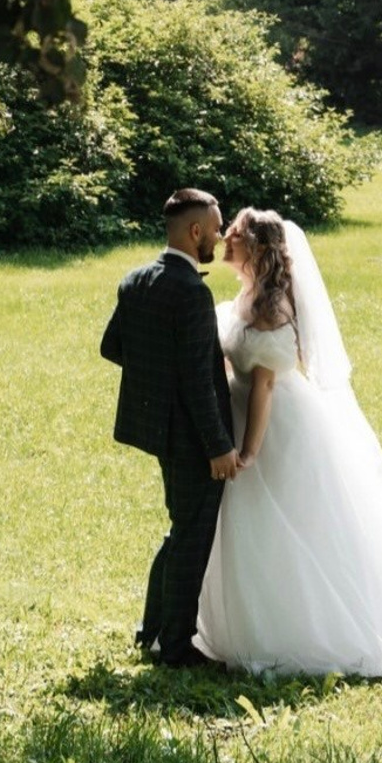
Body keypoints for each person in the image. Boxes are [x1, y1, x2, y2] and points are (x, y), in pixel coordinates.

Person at [194, 207, 382, 677]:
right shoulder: (245, 295)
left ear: (255, 246)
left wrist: (251, 451)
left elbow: (266, 385)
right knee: (247, 528)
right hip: (241, 415)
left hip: (273, 428)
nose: (224, 240)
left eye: (233, 235)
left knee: (289, 525)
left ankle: (303, 633)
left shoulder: (271, 307)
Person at [101, 188, 241, 667]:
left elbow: (112, 346)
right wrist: (219, 447)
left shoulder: (135, 279)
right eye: (217, 227)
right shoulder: (192, 293)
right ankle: (176, 646)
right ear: (195, 230)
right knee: (190, 536)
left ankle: (153, 628)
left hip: (160, 430)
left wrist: (157, 377)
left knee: (179, 529)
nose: (220, 236)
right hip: (194, 437)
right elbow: (201, 383)